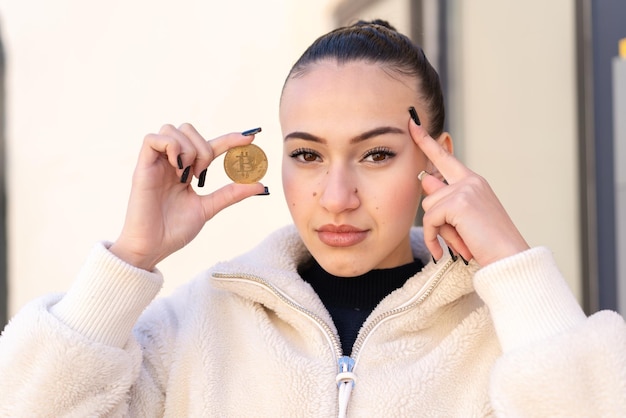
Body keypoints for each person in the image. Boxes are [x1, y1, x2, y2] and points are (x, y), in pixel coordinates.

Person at [1, 19, 625, 417]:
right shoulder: (197, 325)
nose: (337, 195)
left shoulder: (506, 336)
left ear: (437, 161)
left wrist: (516, 270)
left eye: (376, 154)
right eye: (307, 154)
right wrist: (132, 257)